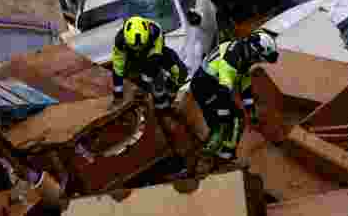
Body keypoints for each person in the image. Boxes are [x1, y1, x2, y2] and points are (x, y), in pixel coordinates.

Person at [191, 31, 279, 160]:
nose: (257, 61)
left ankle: (224, 153)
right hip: (204, 86)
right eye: (258, 58)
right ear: (253, 50)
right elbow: (223, 92)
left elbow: (245, 87)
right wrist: (224, 116)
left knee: (231, 119)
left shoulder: (242, 56)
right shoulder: (232, 60)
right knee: (226, 122)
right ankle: (209, 155)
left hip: (212, 84)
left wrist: (251, 111)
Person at [112, 16, 189, 110]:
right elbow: (117, 68)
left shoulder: (155, 31)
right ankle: (160, 106)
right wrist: (118, 93)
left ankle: (169, 96)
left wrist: (150, 69)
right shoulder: (120, 42)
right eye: (133, 46)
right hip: (133, 61)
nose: (138, 48)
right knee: (149, 86)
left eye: (141, 45)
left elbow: (157, 54)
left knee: (180, 72)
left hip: (153, 54)